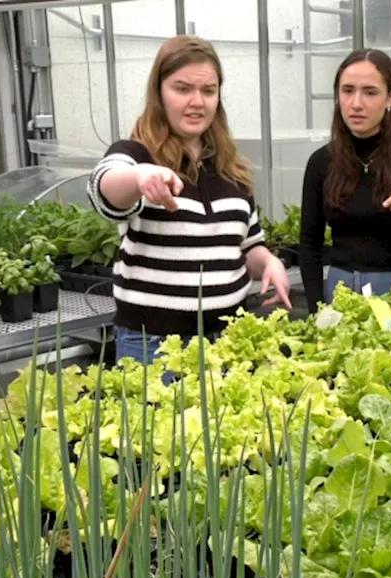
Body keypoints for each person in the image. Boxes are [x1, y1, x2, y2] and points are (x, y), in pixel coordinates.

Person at [86, 35, 291, 364]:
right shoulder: (137, 154)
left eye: (208, 91)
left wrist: (269, 262)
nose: (197, 101)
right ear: (159, 94)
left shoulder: (231, 169)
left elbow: (248, 247)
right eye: (182, 89)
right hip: (153, 347)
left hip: (227, 343)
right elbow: (106, 188)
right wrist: (140, 178)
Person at [298, 48, 391, 310]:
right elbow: (309, 245)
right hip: (340, 292)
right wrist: (315, 310)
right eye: (347, 90)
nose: (356, 103)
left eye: (370, 92)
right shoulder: (321, 163)